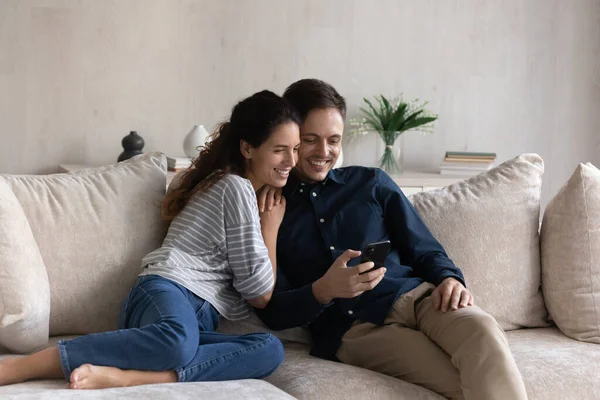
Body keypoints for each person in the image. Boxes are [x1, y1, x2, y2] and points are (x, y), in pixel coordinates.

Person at [0, 90, 300, 390]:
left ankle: (138, 376)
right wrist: (269, 230)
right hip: (165, 293)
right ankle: (24, 365)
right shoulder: (235, 187)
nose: (291, 160)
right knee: (178, 342)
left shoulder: (231, 185)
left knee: (269, 348)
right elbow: (259, 293)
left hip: (189, 323)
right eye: (280, 150)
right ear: (247, 148)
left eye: (296, 149)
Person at [254, 79, 528, 400]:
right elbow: (273, 311)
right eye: (310, 139)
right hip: (356, 331)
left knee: (482, 331)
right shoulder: (269, 211)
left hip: (420, 300)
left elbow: (424, 248)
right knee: (466, 381)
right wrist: (323, 290)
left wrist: (449, 278)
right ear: (290, 137)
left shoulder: (371, 183)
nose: (324, 152)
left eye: (334, 140)